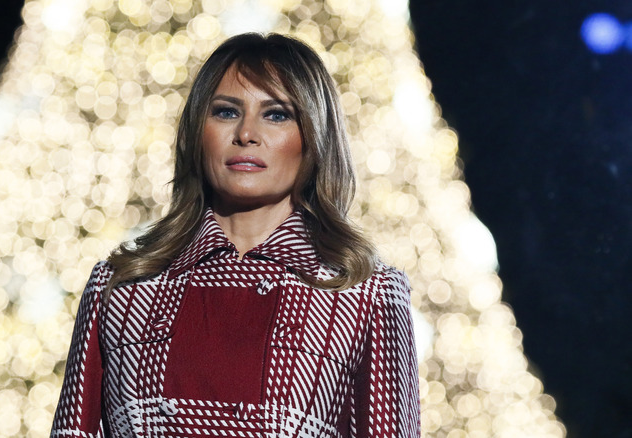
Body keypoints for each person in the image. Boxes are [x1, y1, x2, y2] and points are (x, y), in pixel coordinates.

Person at [51, 33, 420, 438]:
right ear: (197, 132)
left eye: (276, 114)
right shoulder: (121, 287)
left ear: (315, 135)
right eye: (226, 112)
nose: (247, 133)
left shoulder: (365, 293)